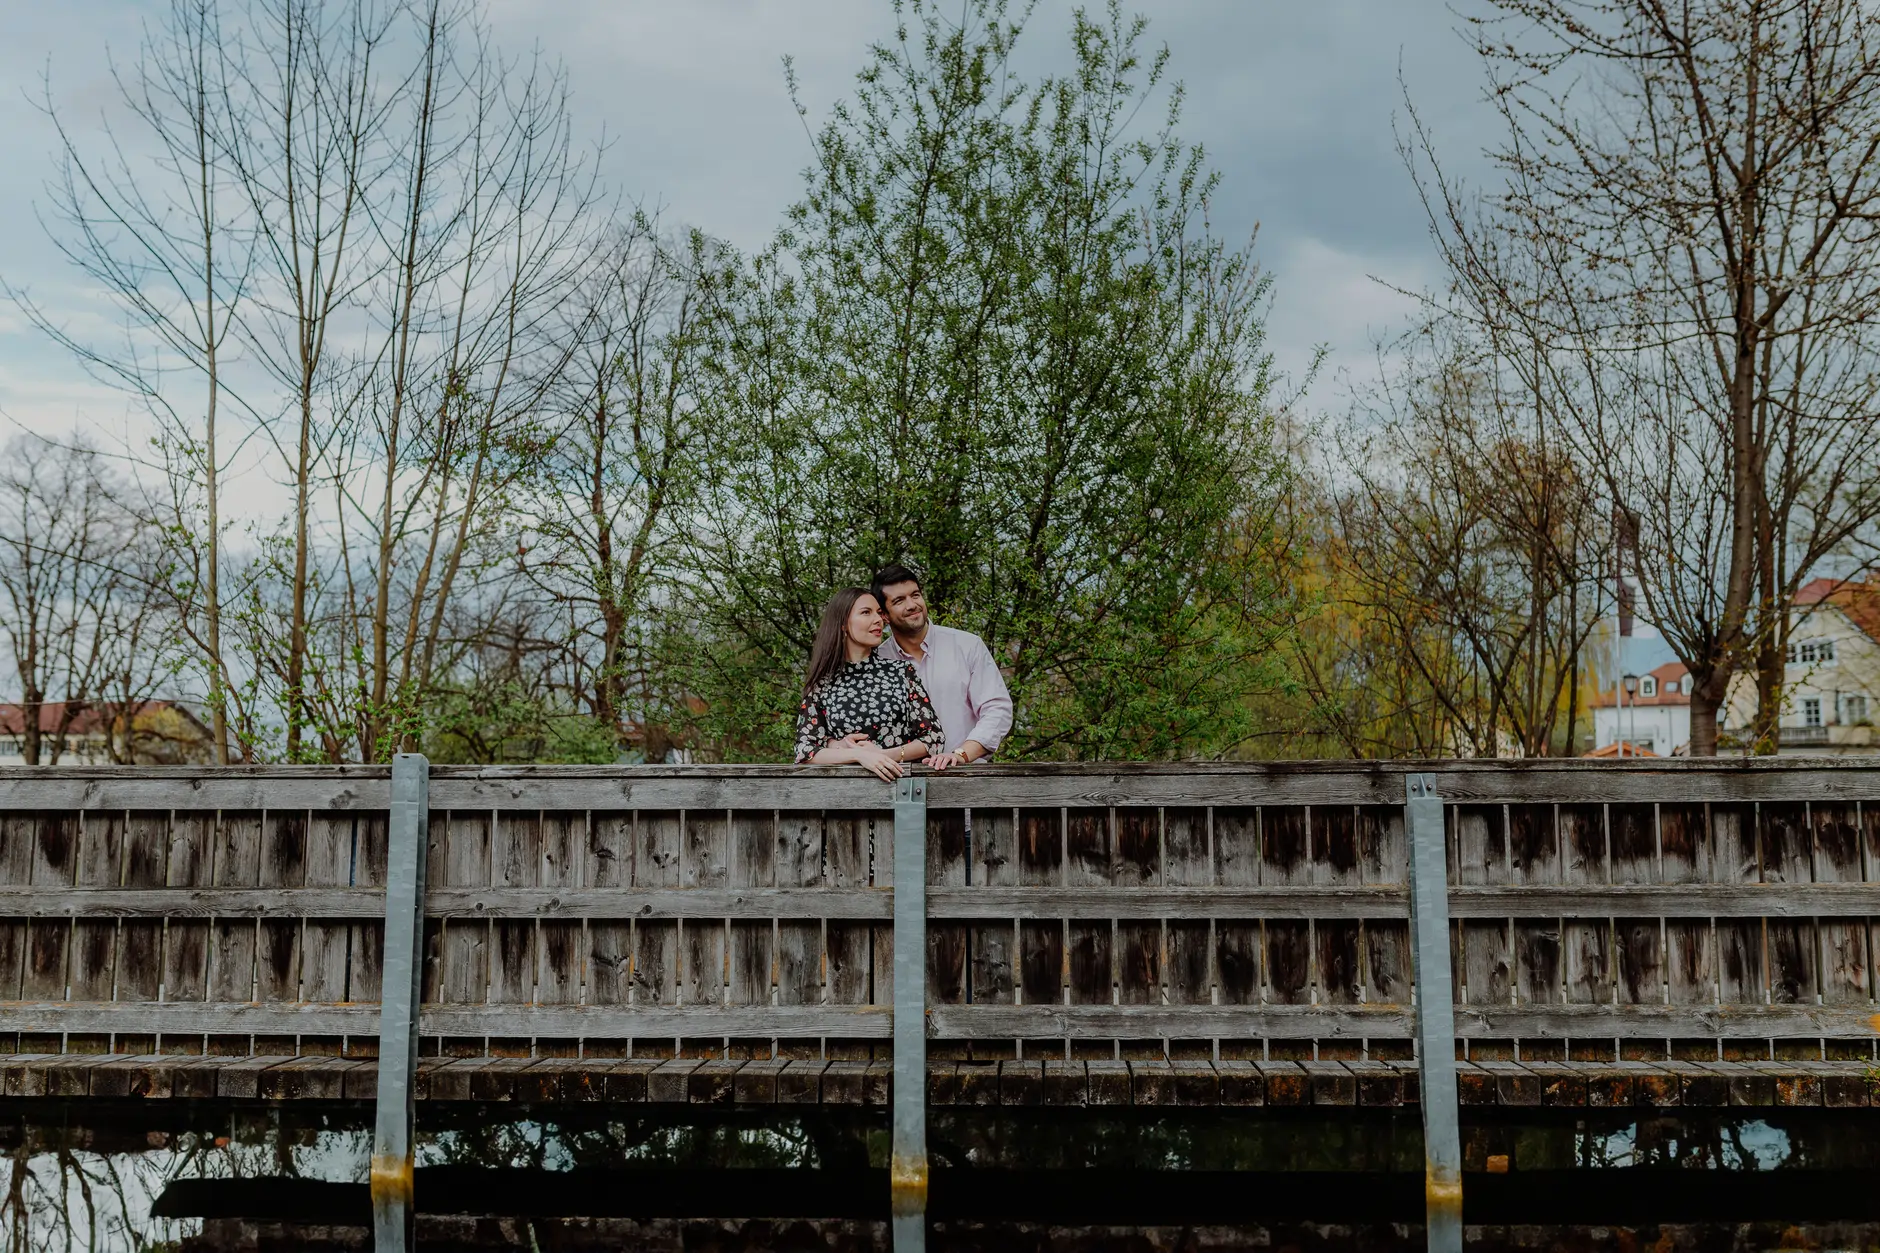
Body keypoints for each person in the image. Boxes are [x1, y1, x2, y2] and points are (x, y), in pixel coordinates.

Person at [794, 586, 947, 782]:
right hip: (843, 799)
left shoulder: (900, 672)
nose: (878, 620)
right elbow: (805, 750)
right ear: (843, 624)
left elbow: (934, 739)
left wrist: (885, 754)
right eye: (866, 612)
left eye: (879, 613)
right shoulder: (822, 683)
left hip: (899, 791)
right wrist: (859, 755)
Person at [871, 563, 1012, 769]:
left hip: (967, 776)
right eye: (899, 600)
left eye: (915, 595)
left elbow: (997, 709)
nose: (912, 605)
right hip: (899, 779)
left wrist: (962, 754)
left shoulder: (967, 646)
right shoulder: (877, 661)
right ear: (884, 615)